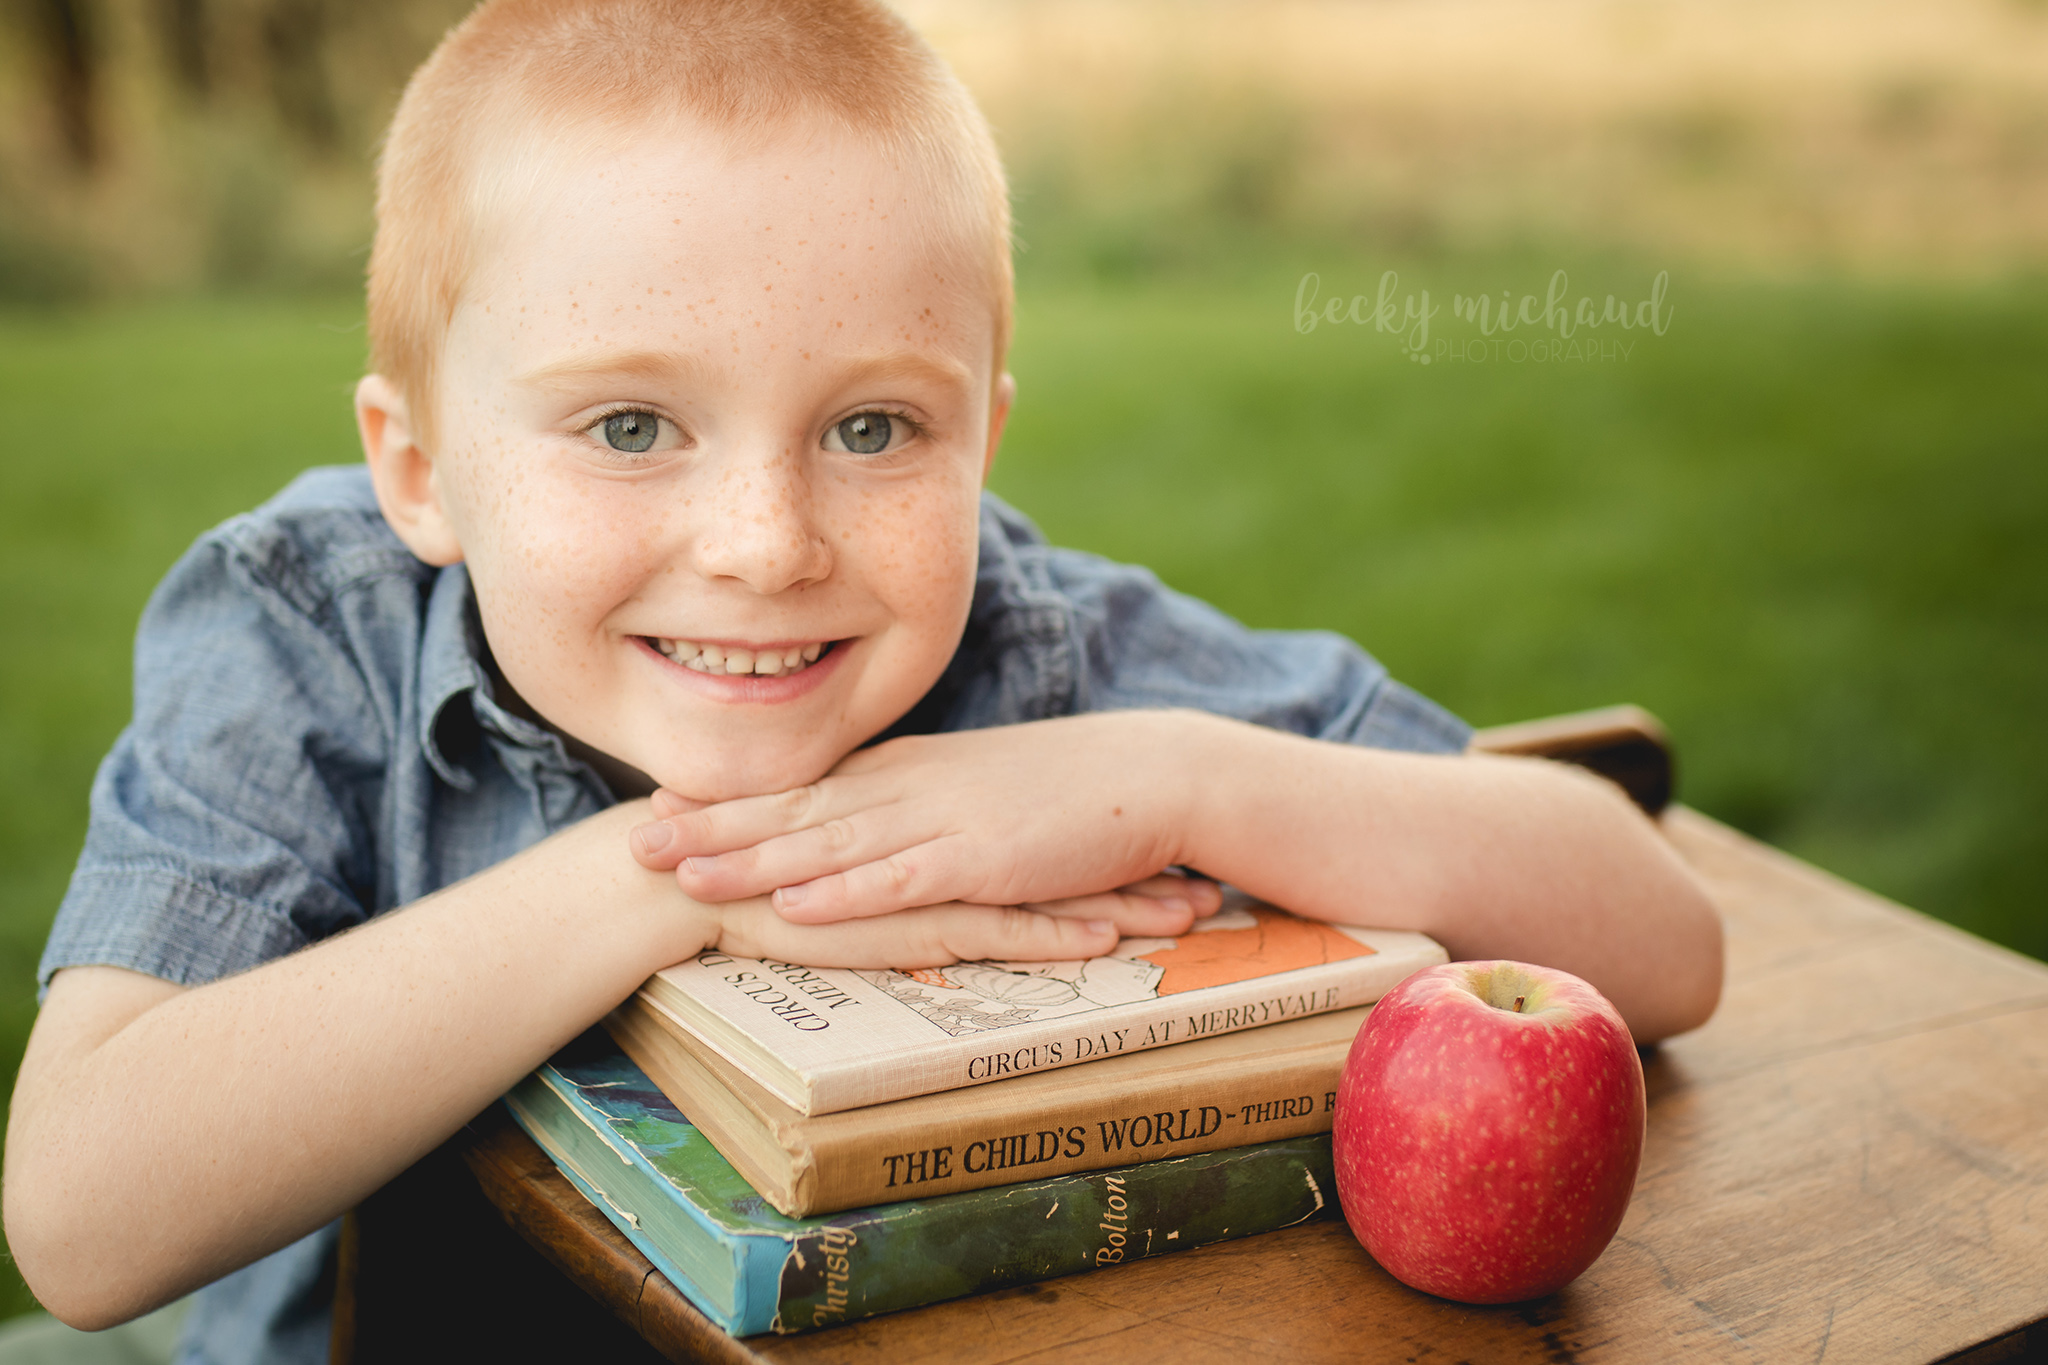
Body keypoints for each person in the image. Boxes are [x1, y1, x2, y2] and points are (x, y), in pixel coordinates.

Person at [1, 0, 1723, 1357]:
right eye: (628, 425)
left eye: (875, 426)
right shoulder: (310, 626)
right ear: (424, 468)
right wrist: (655, 884)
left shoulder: (1042, 658)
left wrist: (1191, 776)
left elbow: (1663, 938)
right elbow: (84, 1221)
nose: (765, 541)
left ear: (984, 438)